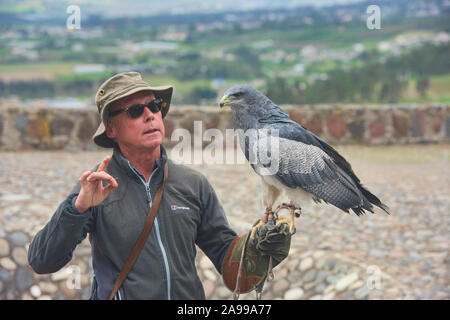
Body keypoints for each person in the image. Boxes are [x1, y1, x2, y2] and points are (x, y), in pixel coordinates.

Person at [28, 72, 291, 300]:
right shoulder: (96, 186)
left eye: (154, 106)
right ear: (111, 129)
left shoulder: (192, 183)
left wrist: (259, 248)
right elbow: (42, 261)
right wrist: (78, 208)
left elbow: (230, 265)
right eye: (134, 111)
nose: (150, 115)